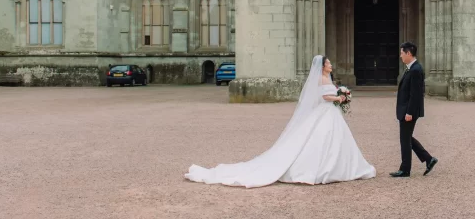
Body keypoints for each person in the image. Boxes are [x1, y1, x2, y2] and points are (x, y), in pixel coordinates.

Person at [185, 55, 376, 188]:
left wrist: (341, 95)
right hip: (326, 112)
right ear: (322, 65)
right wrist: (339, 98)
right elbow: (323, 97)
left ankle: (340, 168)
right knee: (320, 141)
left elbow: (328, 94)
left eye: (330, 63)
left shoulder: (328, 78)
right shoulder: (319, 79)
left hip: (330, 114)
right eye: (328, 63)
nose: (331, 65)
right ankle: (322, 170)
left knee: (334, 141)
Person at [390, 42, 438, 178]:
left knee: (405, 139)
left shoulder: (416, 69)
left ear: (408, 53)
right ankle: (429, 159)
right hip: (406, 109)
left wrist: (409, 112)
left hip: (408, 111)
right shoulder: (411, 68)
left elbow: (416, 94)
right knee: (406, 138)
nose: (400, 56)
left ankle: (405, 169)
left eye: (402, 53)